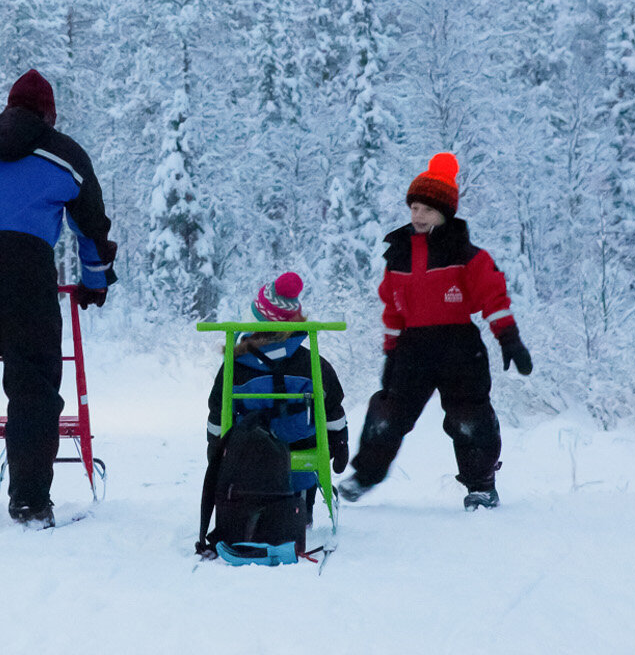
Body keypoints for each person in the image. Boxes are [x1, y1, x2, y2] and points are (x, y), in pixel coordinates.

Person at [0, 69, 117, 528]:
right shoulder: (66, 155)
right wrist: (95, 283)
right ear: (49, 114)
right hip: (27, 270)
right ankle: (30, 500)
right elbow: (91, 228)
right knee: (33, 384)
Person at [339, 152, 533, 510]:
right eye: (413, 208)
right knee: (388, 412)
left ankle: (481, 485)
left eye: (426, 210)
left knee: (468, 416)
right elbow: (393, 309)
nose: (418, 216)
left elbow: (493, 295)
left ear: (445, 212)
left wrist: (509, 338)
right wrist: (391, 351)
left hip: (459, 346)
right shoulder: (396, 257)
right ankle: (362, 478)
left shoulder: (466, 253)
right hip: (413, 348)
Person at [197, 272, 348, 559]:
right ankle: (301, 511)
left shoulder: (234, 367)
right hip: (301, 455)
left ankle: (247, 515)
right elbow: (333, 411)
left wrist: (215, 452)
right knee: (303, 438)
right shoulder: (312, 362)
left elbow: (218, 416)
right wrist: (339, 443)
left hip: (246, 461)